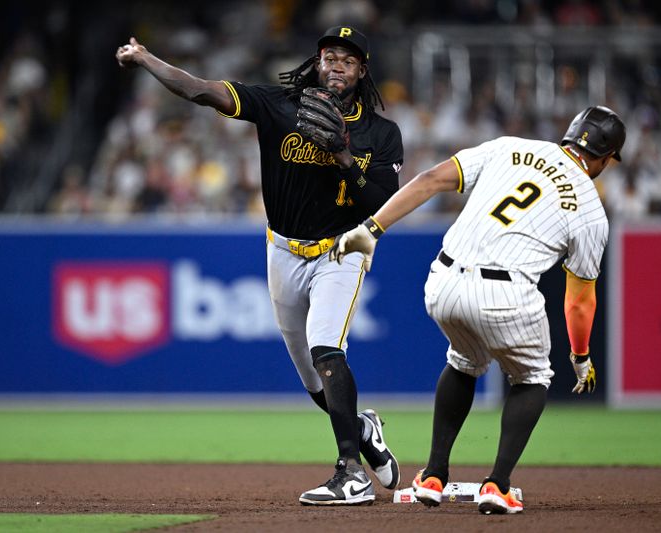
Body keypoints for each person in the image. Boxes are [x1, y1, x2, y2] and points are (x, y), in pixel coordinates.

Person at [116, 26, 403, 505]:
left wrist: (342, 155)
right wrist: (146, 58)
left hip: (342, 250)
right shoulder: (279, 105)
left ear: (362, 71)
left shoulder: (381, 133)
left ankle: (350, 471)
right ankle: (362, 428)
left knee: (326, 349)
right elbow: (202, 90)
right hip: (283, 250)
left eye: (348, 60)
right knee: (314, 383)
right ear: (317, 62)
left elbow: (382, 204)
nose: (337, 65)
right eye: (330, 56)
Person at [331, 106, 626, 514]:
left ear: (571, 135)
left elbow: (430, 179)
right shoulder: (592, 210)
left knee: (464, 361)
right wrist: (581, 356)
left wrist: (372, 228)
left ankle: (432, 476)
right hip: (506, 293)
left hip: (444, 282)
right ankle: (497, 485)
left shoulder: (509, 147)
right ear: (605, 157)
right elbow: (578, 300)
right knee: (533, 377)